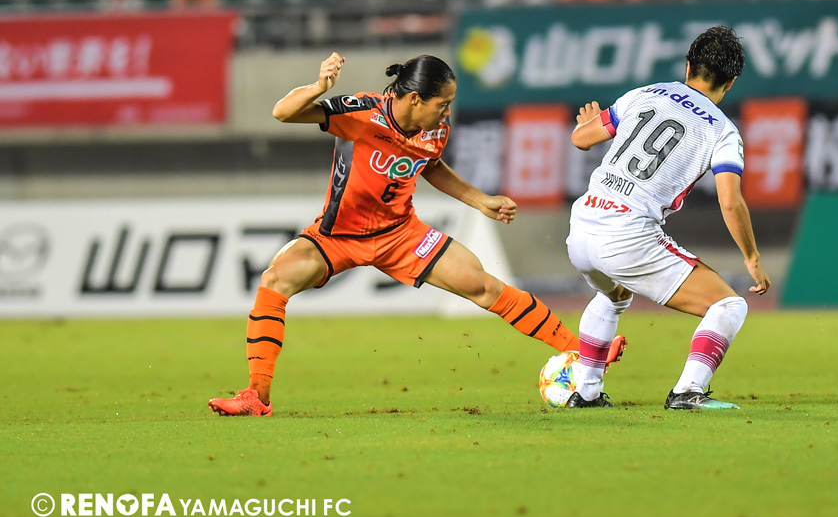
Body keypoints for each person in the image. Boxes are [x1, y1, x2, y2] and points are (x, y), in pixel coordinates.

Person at [209, 54, 625, 416]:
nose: (447, 113)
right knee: (275, 280)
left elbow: (431, 166)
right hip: (338, 234)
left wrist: (480, 201)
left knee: (482, 285)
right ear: (414, 100)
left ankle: (585, 351)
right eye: (442, 104)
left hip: (400, 234)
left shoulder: (435, 130)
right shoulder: (362, 113)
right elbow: (283, 113)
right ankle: (257, 396)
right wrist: (319, 87)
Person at [563, 26, 770, 409]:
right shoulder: (723, 131)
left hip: (582, 226)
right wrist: (752, 257)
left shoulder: (644, 93)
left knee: (613, 294)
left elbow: (580, 138)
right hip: (627, 235)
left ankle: (586, 392)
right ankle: (688, 391)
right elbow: (730, 201)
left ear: (688, 65)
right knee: (728, 305)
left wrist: (586, 123)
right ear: (731, 82)